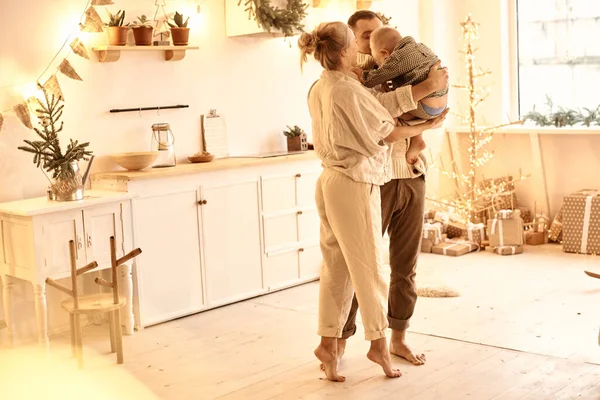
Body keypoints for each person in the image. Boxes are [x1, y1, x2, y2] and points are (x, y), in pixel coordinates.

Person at [298, 21, 448, 382]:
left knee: (337, 269)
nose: (361, 48)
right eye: (355, 41)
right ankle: (379, 344)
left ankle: (328, 342)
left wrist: (419, 106)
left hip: (331, 180)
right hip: (354, 181)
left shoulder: (323, 86)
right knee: (369, 270)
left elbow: (378, 107)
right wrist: (424, 124)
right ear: (345, 50)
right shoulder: (347, 89)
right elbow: (388, 128)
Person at [339, 10, 446, 368]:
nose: (372, 44)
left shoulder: (399, 67)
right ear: (355, 42)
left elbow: (427, 106)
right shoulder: (352, 81)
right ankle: (339, 340)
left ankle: (398, 338)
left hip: (412, 175)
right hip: (375, 180)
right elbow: (380, 120)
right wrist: (423, 103)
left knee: (406, 266)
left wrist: (426, 119)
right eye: (365, 37)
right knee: (359, 266)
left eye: (376, 35)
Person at [360, 26, 448, 164]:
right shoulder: (420, 47)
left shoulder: (397, 59)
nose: (377, 64)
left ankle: (415, 137)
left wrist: (361, 74)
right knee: (408, 87)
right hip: (442, 103)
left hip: (425, 105)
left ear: (385, 54)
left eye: (377, 60)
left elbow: (371, 79)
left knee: (398, 96)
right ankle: (418, 139)